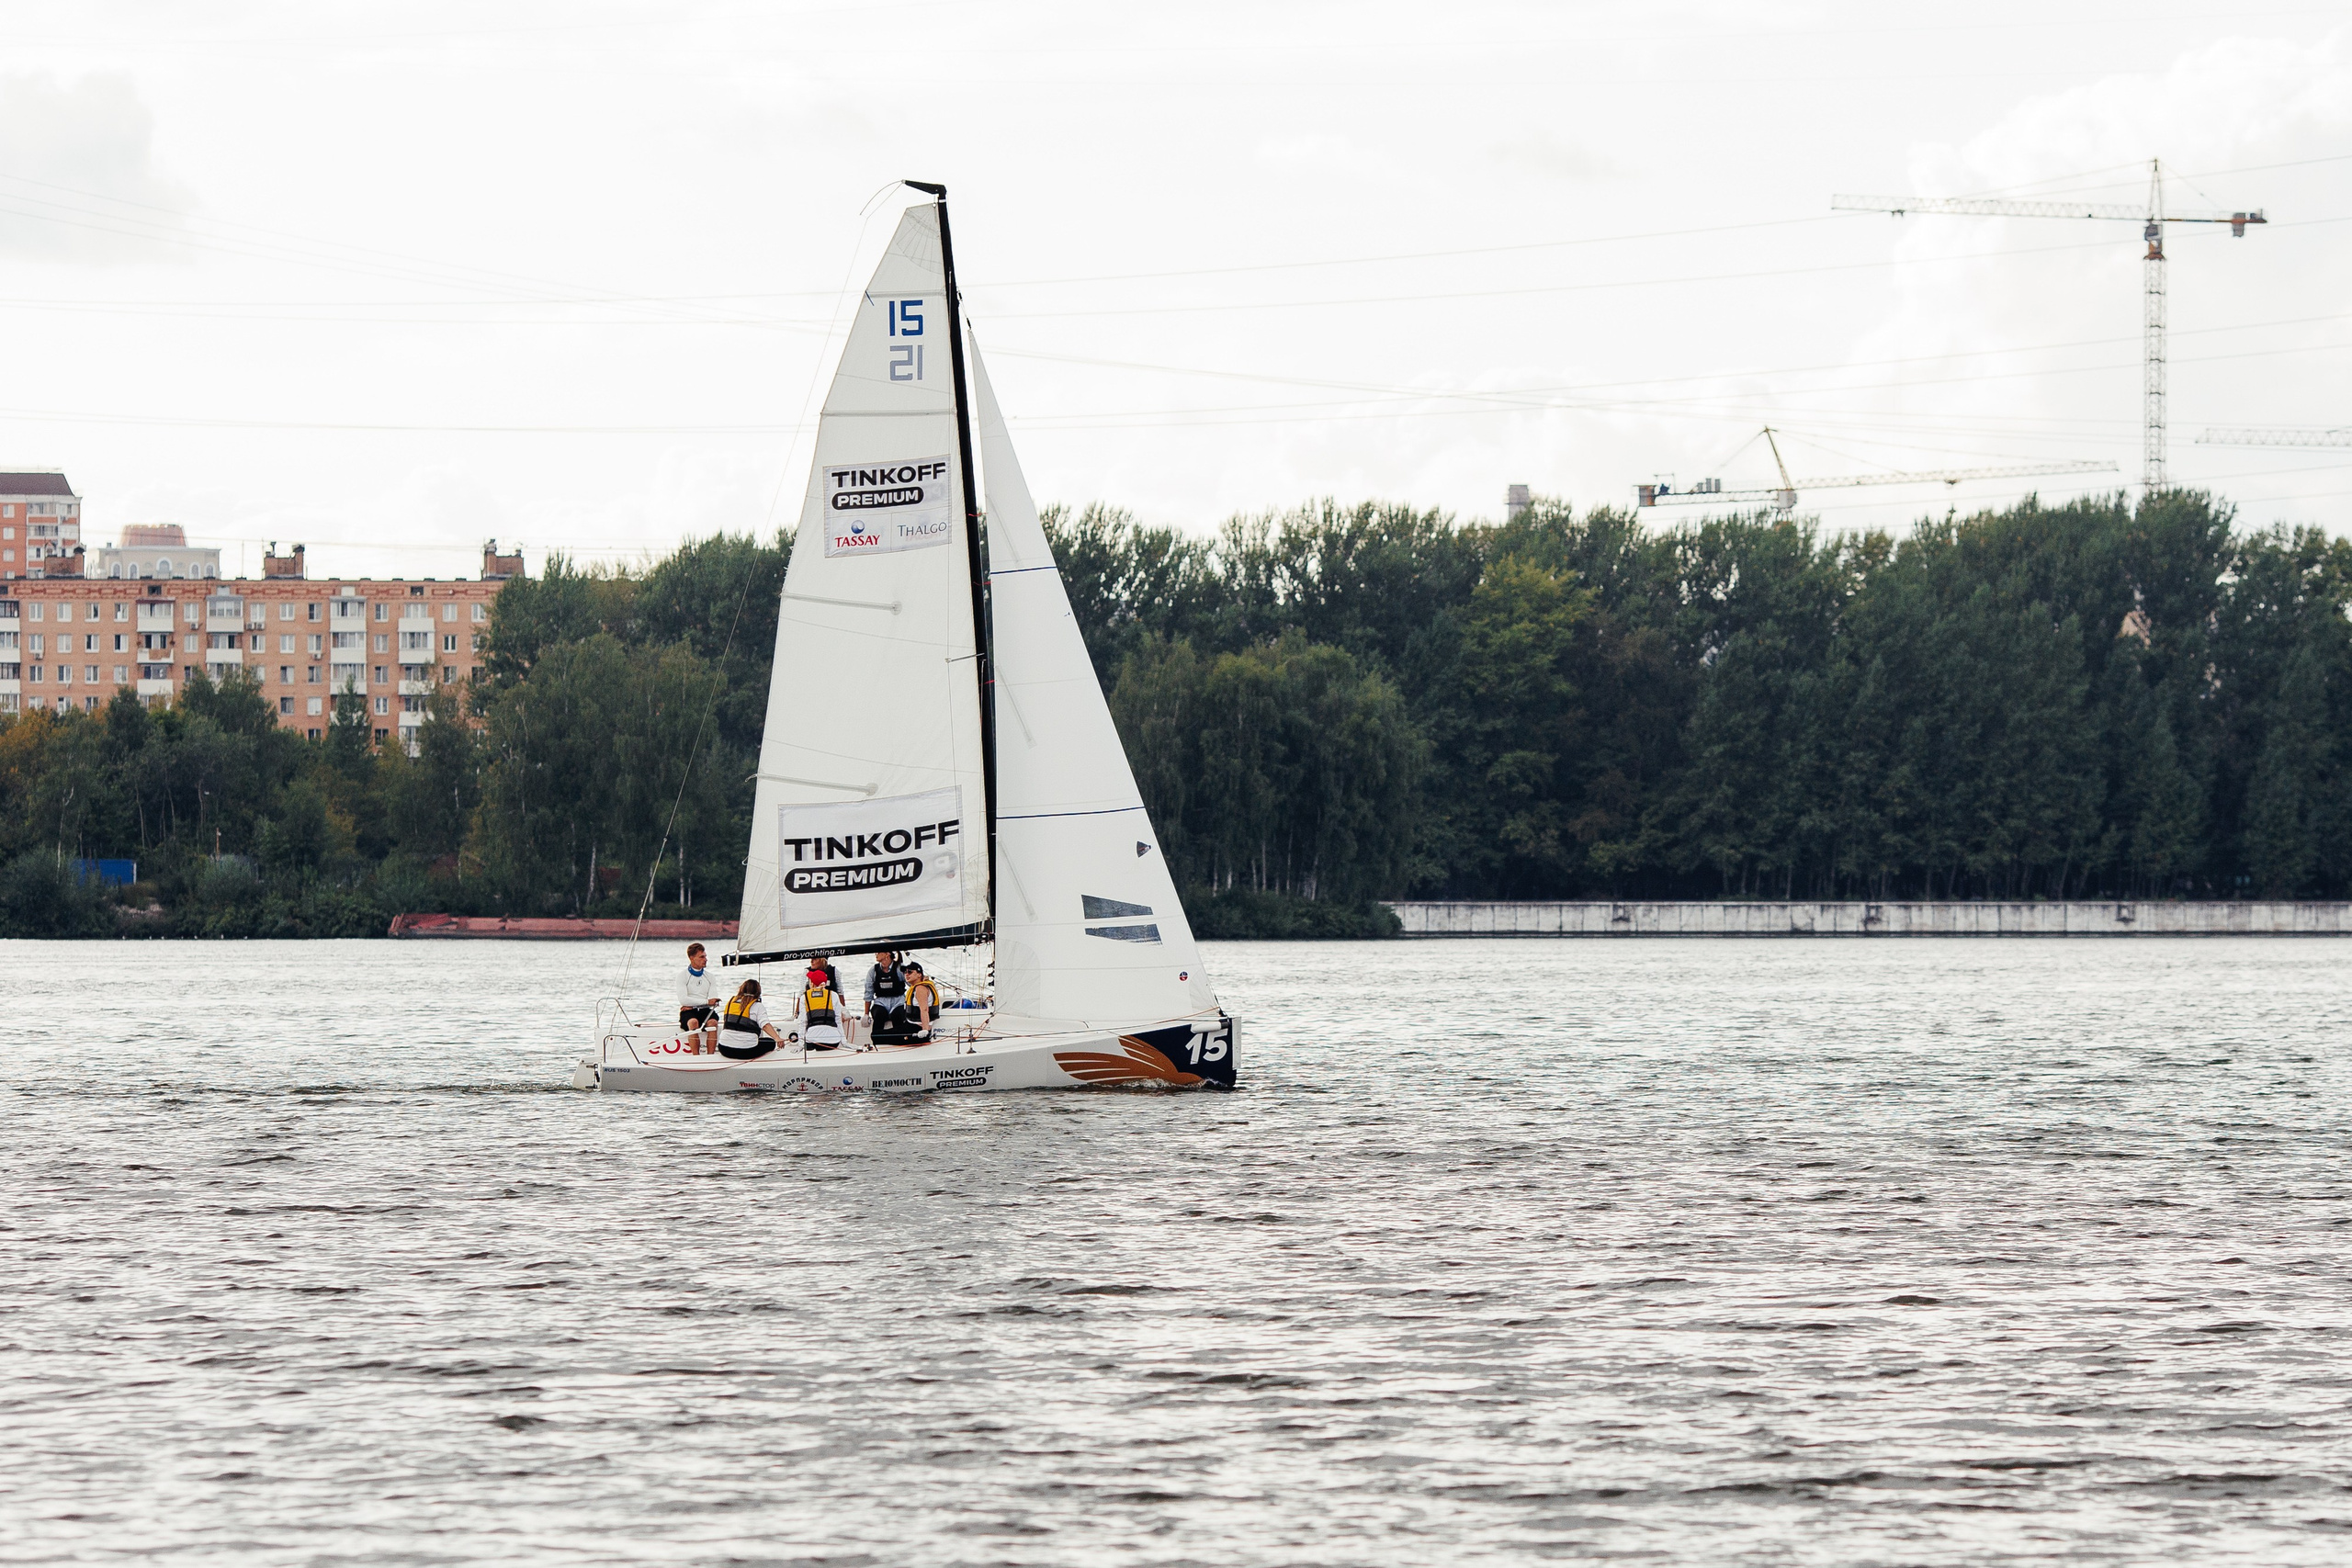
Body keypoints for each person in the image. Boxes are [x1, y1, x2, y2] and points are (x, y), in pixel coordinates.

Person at [717, 977, 788, 1060]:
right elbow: (765, 1025)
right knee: (770, 1042)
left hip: (724, 1048)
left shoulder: (730, 1003)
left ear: (741, 989)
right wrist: (777, 1038)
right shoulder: (757, 1006)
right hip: (746, 1051)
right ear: (758, 992)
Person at [675, 942, 720, 1054]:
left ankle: (710, 1056)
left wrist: (693, 1004)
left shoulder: (710, 977)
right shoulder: (682, 976)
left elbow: (713, 1000)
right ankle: (696, 1057)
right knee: (693, 1023)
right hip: (689, 1013)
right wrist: (706, 1002)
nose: (705, 959)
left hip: (704, 1011)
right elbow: (683, 1000)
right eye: (701, 957)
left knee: (713, 1023)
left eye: (705, 956)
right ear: (692, 958)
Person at [865, 949, 914, 1043]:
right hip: (881, 1002)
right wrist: (866, 1014)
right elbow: (868, 992)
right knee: (879, 1015)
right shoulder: (873, 970)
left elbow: (912, 984)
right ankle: (877, 1043)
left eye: (878, 952)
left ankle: (899, 1043)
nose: (876, 954)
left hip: (898, 1001)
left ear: (887, 954)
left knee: (898, 1015)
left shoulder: (900, 968)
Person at [796, 964, 845, 1051]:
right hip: (833, 1042)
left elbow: (803, 1022)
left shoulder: (805, 997)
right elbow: (838, 1020)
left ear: (812, 983)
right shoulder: (833, 995)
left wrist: (800, 1044)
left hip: (812, 1042)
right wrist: (844, 1041)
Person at [904, 962, 940, 1040]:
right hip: (911, 1024)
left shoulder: (920, 989)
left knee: (876, 1035)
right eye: (905, 972)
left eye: (910, 972)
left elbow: (924, 1010)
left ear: (919, 974)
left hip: (916, 1028)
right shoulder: (919, 985)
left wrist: (925, 1030)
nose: (906, 974)